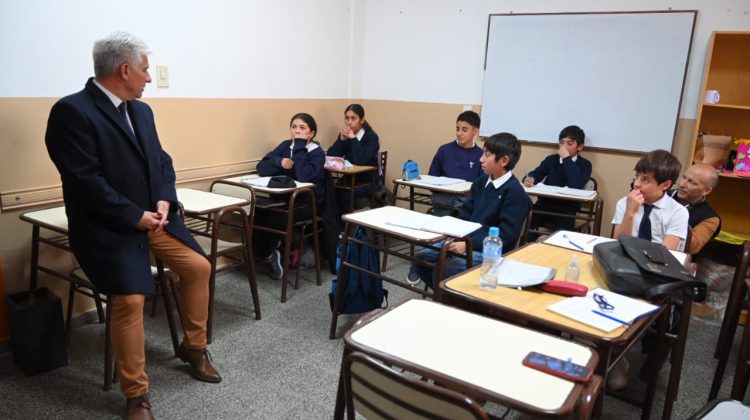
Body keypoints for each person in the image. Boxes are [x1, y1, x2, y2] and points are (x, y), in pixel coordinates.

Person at [44, 32, 219, 419]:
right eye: (144, 70)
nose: (149, 78)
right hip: (109, 228)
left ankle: (194, 347)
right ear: (124, 70)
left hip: (153, 219)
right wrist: (133, 215)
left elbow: (162, 162)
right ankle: (136, 394)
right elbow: (85, 181)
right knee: (130, 299)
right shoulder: (72, 112)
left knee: (199, 267)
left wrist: (163, 199)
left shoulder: (141, 111)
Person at [408, 133, 532, 288]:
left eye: (487, 155)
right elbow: (464, 215)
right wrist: (450, 233)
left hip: (491, 254)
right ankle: (444, 295)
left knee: (446, 268)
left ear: (504, 161)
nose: (481, 159)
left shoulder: (515, 193)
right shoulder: (480, 183)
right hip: (465, 241)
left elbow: (506, 237)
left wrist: (468, 244)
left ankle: (445, 299)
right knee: (420, 257)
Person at [254, 113, 325, 280]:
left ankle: (277, 252)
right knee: (257, 213)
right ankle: (267, 255)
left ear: (311, 133)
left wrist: (300, 146)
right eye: (294, 127)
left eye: (302, 128)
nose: (297, 131)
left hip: (307, 203)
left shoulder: (317, 153)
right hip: (282, 199)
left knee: (277, 219)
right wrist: (279, 162)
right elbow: (261, 167)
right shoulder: (286, 146)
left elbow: (304, 177)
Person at [612, 149, 688, 251]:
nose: (636, 184)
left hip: (658, 263)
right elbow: (618, 245)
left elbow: (666, 253)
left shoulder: (678, 212)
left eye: (645, 180)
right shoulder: (625, 202)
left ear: (665, 185)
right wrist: (630, 213)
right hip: (626, 259)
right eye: (637, 176)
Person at [523, 125, 592, 234]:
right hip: (544, 205)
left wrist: (566, 159)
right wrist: (530, 178)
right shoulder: (551, 160)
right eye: (561, 142)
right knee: (527, 223)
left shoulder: (585, 165)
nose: (563, 147)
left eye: (569, 144)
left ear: (580, 147)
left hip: (567, 209)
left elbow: (575, 184)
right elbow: (537, 173)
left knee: (562, 234)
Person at [427, 110, 484, 215]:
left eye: (464, 130)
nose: (459, 133)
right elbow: (432, 178)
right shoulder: (444, 150)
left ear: (475, 131)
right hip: (443, 202)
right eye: (457, 129)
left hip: (467, 204)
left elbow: (481, 186)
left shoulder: (481, 155)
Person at [327, 104, 379, 212]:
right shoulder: (346, 135)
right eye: (347, 118)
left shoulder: (371, 137)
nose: (349, 122)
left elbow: (360, 161)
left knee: (346, 196)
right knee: (330, 192)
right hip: (349, 179)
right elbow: (332, 157)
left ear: (362, 120)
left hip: (367, 181)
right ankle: (337, 227)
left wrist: (353, 139)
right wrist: (341, 140)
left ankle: (347, 227)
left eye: (353, 118)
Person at [668, 163, 721, 254]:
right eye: (684, 177)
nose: (683, 184)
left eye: (692, 182)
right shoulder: (661, 194)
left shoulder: (710, 218)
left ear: (706, 190)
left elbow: (691, 247)